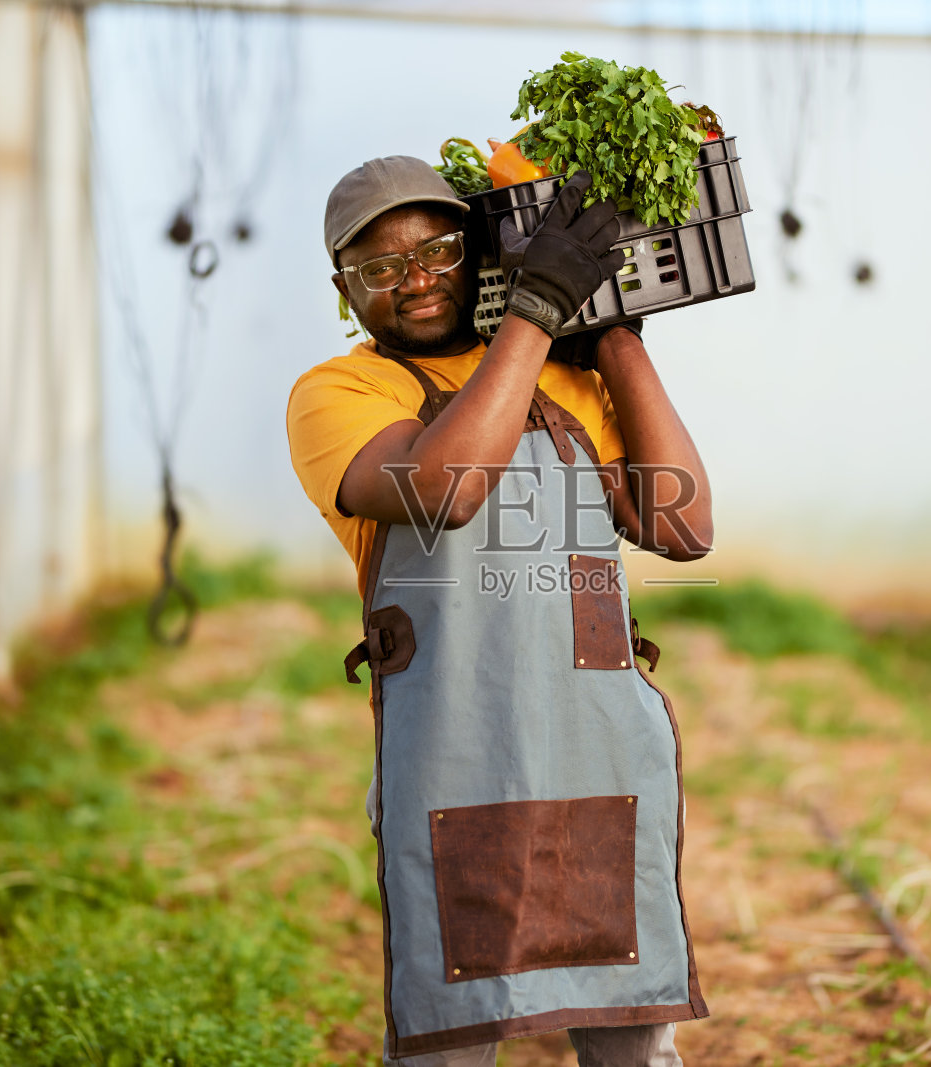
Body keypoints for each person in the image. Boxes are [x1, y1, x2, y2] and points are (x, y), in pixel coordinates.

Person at [286, 155, 713, 1066]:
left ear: (477, 246)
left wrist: (612, 331)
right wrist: (535, 312)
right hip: (456, 769)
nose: (417, 280)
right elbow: (445, 487)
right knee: (451, 1035)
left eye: (439, 250)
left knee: (632, 1036)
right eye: (380, 266)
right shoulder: (338, 394)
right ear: (343, 289)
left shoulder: (560, 372)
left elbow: (682, 527)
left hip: (599, 757)